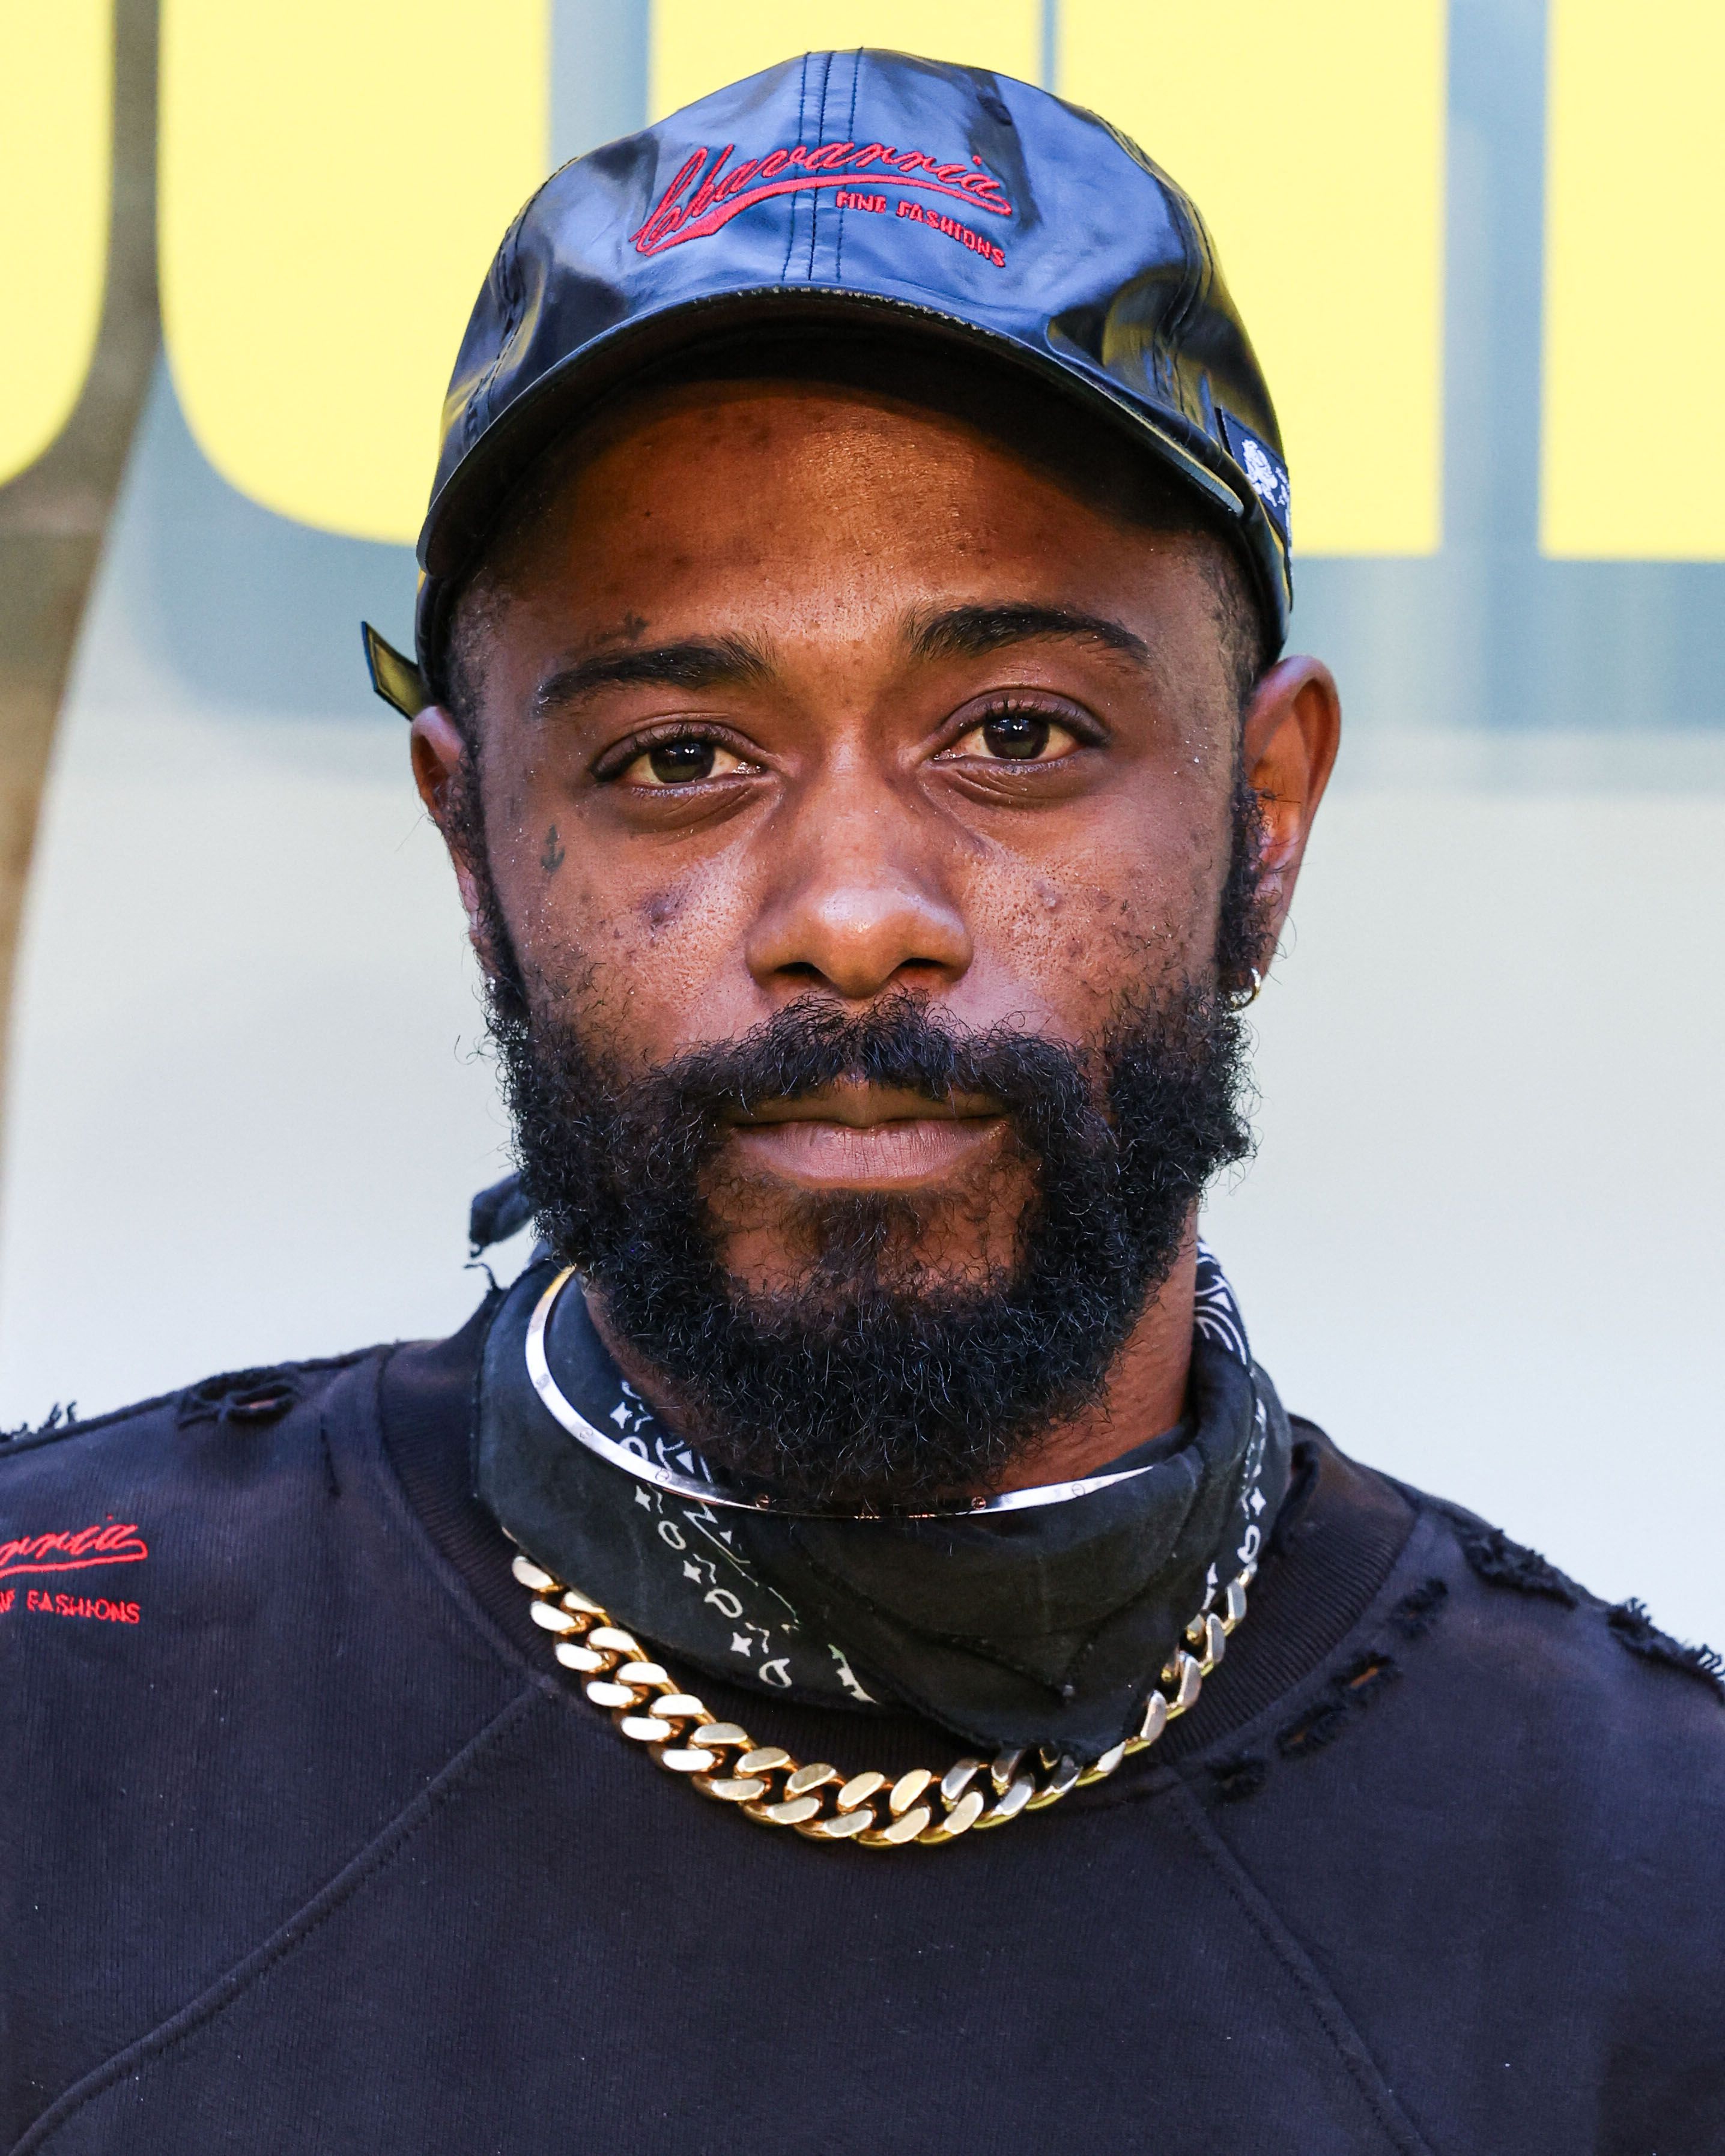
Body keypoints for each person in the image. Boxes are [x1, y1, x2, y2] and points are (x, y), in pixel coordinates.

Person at [5, 50, 1722, 2154]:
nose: (850, 915)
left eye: (1014, 732)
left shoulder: (1648, 1893)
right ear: (474, 851)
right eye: (674, 758)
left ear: (1265, 819)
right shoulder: (54, 1722)